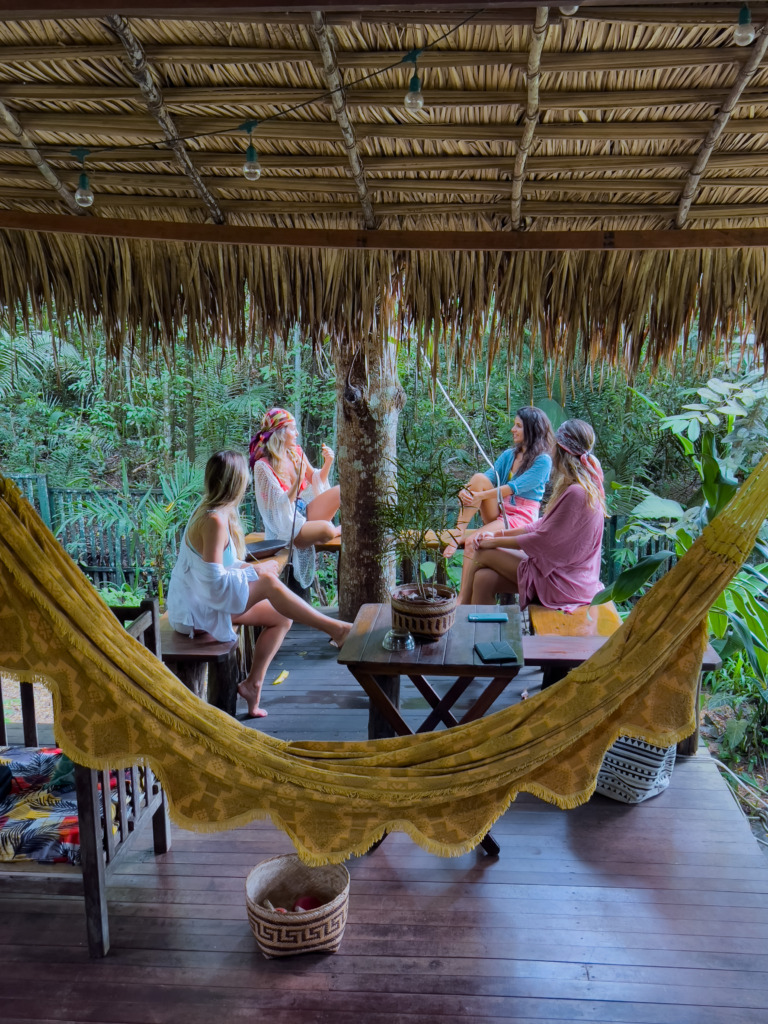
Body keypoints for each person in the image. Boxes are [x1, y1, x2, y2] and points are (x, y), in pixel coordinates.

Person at [167, 450, 351, 719]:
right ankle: (337, 629)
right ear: (237, 483)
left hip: (205, 602)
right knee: (267, 582)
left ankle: (252, 685)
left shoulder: (219, 513)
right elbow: (214, 584)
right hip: (196, 613)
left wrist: (251, 569)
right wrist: (256, 571)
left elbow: (224, 568)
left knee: (281, 617)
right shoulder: (213, 521)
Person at [456, 419, 606, 610]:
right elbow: (540, 526)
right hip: (566, 578)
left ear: (560, 449)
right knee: (483, 579)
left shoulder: (577, 492)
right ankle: (483, 634)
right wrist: (495, 535)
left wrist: (492, 542)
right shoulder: (579, 488)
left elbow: (543, 539)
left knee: (479, 551)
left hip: (566, 583)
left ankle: (460, 610)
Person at [443, 406, 554, 557]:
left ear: (532, 430)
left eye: (518, 426)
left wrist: (479, 497)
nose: (513, 429)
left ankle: (471, 575)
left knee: (473, 541)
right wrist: (465, 490)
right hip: (500, 512)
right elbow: (486, 478)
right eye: (514, 425)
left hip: (520, 518)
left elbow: (513, 488)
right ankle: (458, 532)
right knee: (478, 478)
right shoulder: (509, 455)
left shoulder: (543, 461)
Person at [250, 408, 341, 590]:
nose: (297, 433)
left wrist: (328, 463)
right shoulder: (263, 465)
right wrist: (297, 481)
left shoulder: (295, 452)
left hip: (302, 511)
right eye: (292, 428)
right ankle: (336, 530)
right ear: (281, 432)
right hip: (285, 525)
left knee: (340, 491)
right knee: (328, 530)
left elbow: (315, 478)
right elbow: (280, 505)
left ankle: (315, 532)